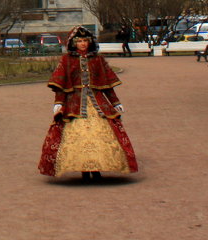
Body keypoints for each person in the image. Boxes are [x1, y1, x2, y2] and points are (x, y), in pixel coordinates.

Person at [38, 26, 138, 180]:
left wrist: (115, 102)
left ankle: (97, 170)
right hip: (74, 104)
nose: (83, 44)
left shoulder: (97, 59)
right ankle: (84, 171)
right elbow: (61, 84)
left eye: (85, 41)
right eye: (80, 41)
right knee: (79, 137)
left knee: (100, 136)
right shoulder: (66, 60)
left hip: (97, 103)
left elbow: (106, 84)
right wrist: (58, 102)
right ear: (74, 43)